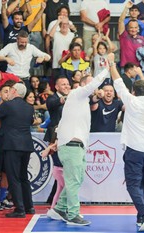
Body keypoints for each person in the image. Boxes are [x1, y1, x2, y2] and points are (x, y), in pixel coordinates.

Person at [46, 69, 109, 225]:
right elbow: (92, 87)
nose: (94, 87)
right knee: (74, 181)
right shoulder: (77, 93)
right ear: (82, 85)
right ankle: (73, 215)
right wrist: (108, 68)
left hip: (75, 146)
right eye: (90, 84)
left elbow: (62, 123)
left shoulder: (81, 101)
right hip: (72, 146)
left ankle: (59, 208)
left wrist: (56, 142)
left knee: (77, 179)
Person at [108, 53, 144, 231]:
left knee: (132, 185)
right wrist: (140, 73)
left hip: (135, 149)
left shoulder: (131, 100)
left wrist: (111, 62)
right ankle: (140, 218)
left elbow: (117, 82)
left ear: (134, 92)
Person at [0, 83, 35, 218]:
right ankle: (29, 207)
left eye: (10, 90)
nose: (8, 92)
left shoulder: (8, 105)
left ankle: (19, 209)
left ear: (14, 91)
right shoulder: (29, 107)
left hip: (12, 146)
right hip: (26, 146)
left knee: (13, 177)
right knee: (23, 177)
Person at [118, 2, 144, 71]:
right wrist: (126, 8)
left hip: (138, 68)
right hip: (126, 67)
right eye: (131, 27)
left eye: (135, 27)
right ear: (127, 28)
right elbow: (120, 21)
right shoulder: (124, 36)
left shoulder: (141, 38)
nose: (133, 29)